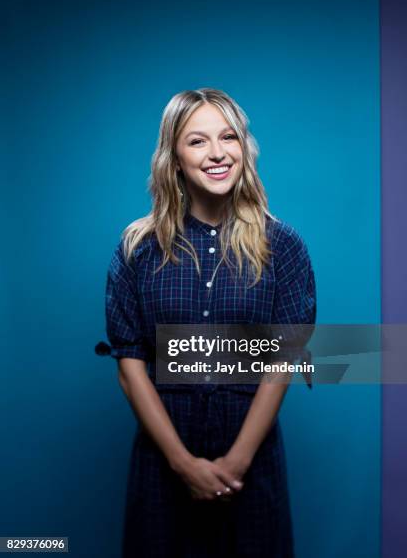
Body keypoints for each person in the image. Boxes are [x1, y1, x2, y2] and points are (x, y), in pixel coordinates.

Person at [95, 88, 316, 557]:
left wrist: (236, 463)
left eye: (228, 137)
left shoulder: (285, 247)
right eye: (197, 141)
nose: (217, 153)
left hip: (252, 463)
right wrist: (182, 463)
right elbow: (129, 363)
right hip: (163, 463)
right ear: (173, 157)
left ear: (243, 148)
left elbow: (283, 360)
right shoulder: (137, 249)